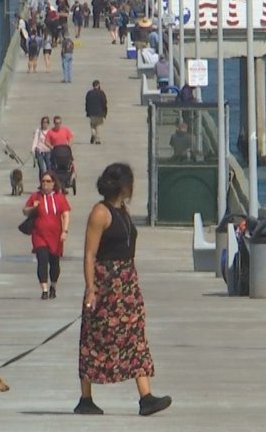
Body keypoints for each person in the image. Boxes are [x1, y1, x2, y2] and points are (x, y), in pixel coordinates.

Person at [75, 162, 172, 417]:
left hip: (127, 283)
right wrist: (91, 289)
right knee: (94, 339)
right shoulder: (100, 213)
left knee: (136, 335)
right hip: (106, 283)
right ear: (123, 186)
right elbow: (89, 254)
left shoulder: (123, 210)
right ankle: (85, 399)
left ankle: (146, 397)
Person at [24, 171, 72, 300]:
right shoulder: (35, 196)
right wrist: (32, 208)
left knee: (54, 264)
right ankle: (44, 289)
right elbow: (25, 211)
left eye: (48, 181)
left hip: (56, 236)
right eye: (43, 181)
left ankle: (53, 286)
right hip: (39, 235)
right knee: (42, 260)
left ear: (53, 183)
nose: (45, 184)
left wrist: (65, 231)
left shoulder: (59, 197)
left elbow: (66, 214)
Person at [84, 79, 108, 145]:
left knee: (92, 125)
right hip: (99, 112)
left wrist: (87, 111)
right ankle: (97, 139)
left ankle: (93, 134)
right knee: (98, 125)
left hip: (92, 112)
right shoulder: (101, 93)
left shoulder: (89, 93)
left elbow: (87, 103)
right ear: (98, 85)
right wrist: (105, 112)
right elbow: (104, 103)